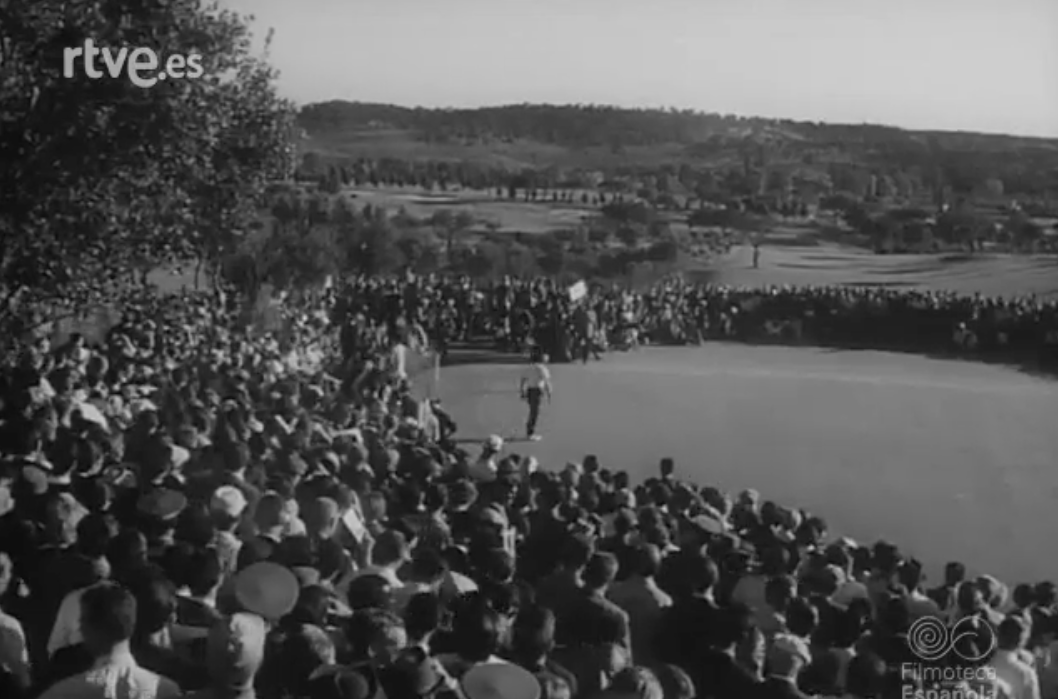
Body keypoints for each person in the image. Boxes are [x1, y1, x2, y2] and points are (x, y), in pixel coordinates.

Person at [518, 348, 552, 441]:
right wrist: (549, 392)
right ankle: (530, 433)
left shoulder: (528, 367)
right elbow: (546, 381)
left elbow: (523, 380)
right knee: (534, 412)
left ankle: (530, 431)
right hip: (536, 391)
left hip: (529, 390)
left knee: (533, 411)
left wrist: (522, 391)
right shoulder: (541, 368)